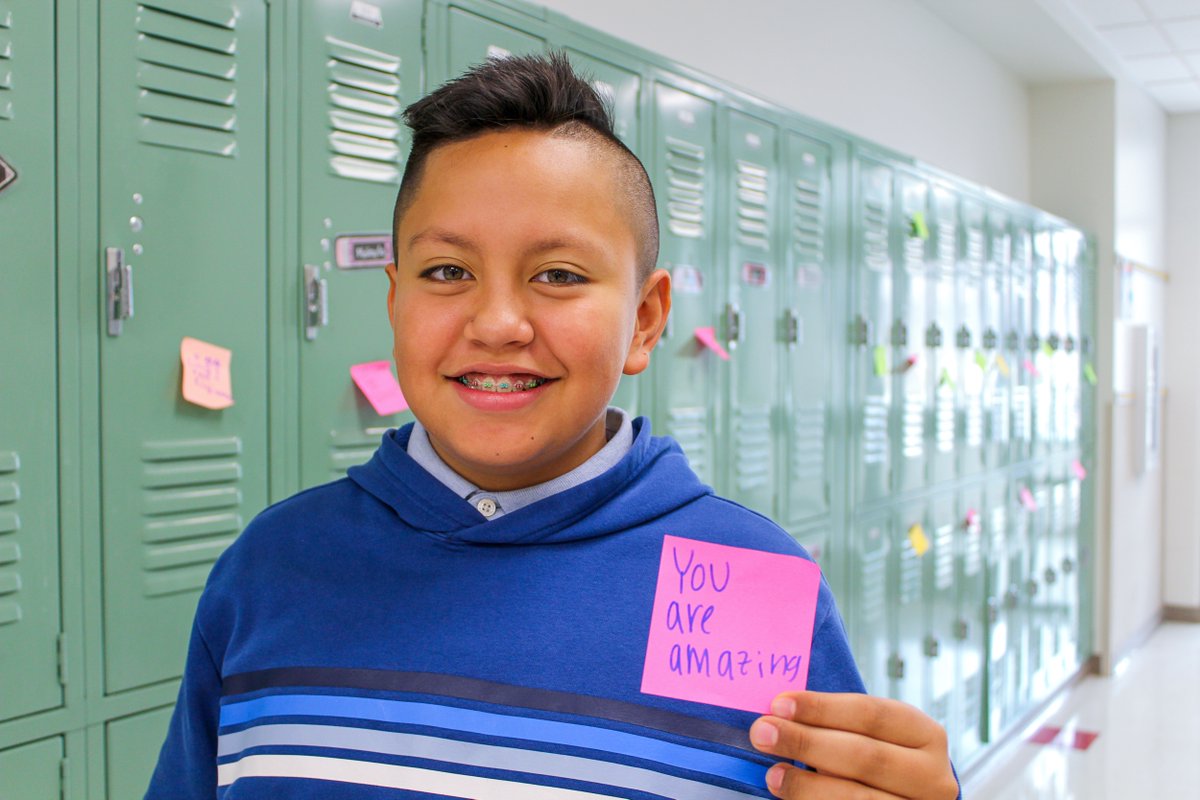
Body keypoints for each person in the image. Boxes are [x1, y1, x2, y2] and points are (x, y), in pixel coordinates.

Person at [146, 52, 960, 800]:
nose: (498, 322)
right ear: (394, 303)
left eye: (559, 275)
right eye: (447, 272)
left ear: (645, 321)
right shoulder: (273, 568)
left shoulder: (747, 583)